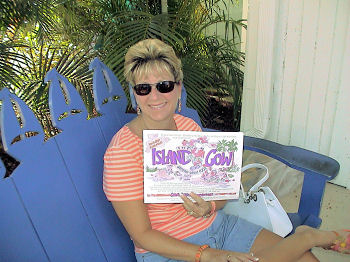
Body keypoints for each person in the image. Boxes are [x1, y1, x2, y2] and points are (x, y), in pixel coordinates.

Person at [103, 38, 350, 262]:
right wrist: (208, 255)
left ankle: (304, 239)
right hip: (167, 251)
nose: (154, 96)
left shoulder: (189, 128)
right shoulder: (122, 153)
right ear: (135, 95)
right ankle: (304, 237)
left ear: (178, 88)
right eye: (144, 88)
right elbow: (143, 236)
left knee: (306, 260)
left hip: (219, 227)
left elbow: (218, 194)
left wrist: (209, 206)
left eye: (164, 85)